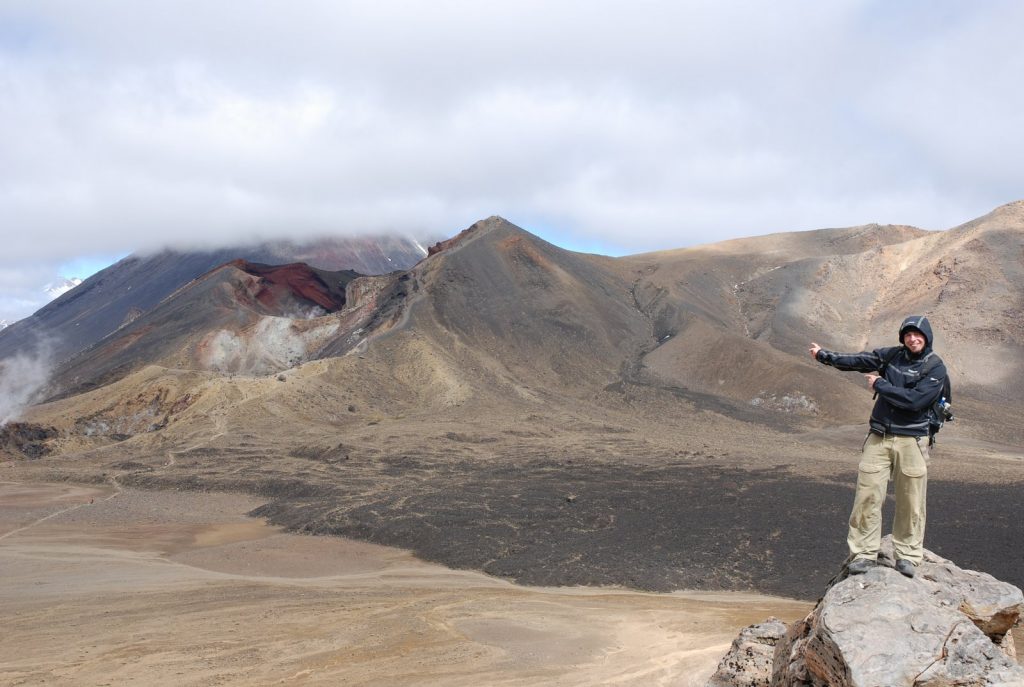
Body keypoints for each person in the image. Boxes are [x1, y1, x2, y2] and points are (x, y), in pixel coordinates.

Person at [809, 315, 947, 579]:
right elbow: (860, 360)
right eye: (907, 334)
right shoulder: (892, 356)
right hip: (880, 436)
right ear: (902, 337)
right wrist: (824, 356)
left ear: (927, 337)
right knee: (868, 496)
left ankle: (907, 556)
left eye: (918, 335)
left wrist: (880, 385)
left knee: (911, 500)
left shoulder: (935, 367)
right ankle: (862, 554)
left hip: (913, 440)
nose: (912, 338)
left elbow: (916, 401)